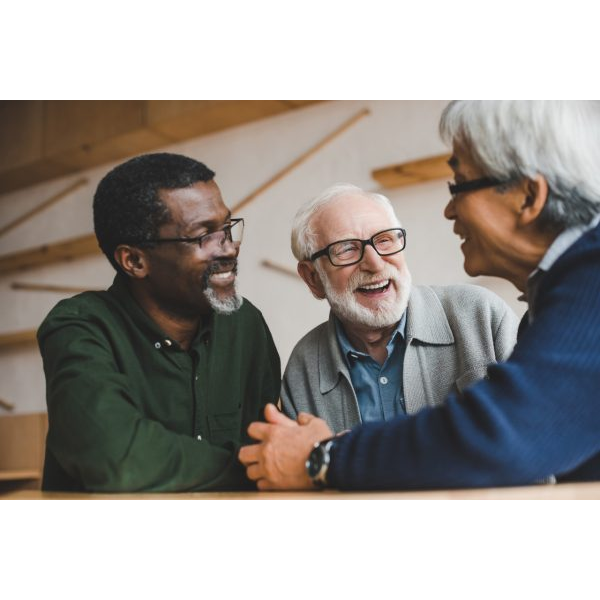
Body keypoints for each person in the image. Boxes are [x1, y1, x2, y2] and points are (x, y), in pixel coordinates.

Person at [239, 101, 600, 490]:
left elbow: (507, 436)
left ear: (528, 197)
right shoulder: (560, 293)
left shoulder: (590, 279)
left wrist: (322, 457)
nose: (448, 210)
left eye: (458, 185)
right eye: (346, 249)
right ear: (312, 279)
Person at [38, 152, 280, 492]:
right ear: (135, 260)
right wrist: (252, 467)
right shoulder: (79, 326)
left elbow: (270, 444)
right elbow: (118, 460)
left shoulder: (245, 324)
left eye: (226, 228)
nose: (227, 249)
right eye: (202, 236)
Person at [282, 183, 518, 433]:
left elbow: (540, 439)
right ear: (313, 278)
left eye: (384, 240)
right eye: (347, 249)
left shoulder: (481, 315)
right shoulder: (304, 366)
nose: (374, 263)